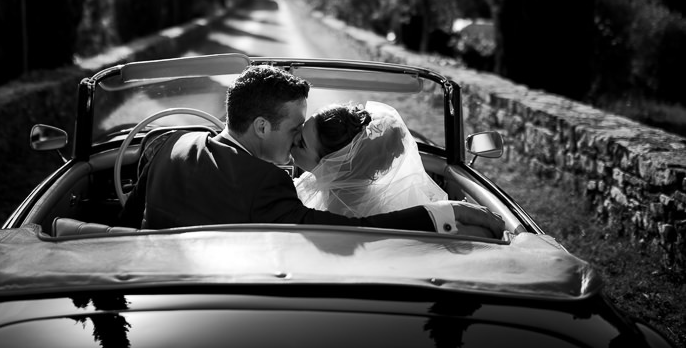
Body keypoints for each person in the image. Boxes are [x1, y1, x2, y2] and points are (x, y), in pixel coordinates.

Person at [119, 65, 503, 237]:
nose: (296, 138)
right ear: (261, 126)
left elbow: (123, 228)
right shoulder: (264, 183)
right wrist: (444, 213)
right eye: (293, 130)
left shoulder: (165, 143)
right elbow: (352, 232)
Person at [292, 101, 448, 218]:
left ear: (331, 164)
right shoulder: (330, 187)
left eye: (302, 144)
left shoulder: (343, 214)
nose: (293, 141)